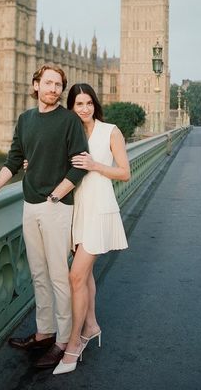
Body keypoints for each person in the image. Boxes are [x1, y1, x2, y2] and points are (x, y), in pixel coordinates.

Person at [0, 65, 88, 369]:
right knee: (39, 275)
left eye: (59, 85)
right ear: (35, 86)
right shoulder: (26, 119)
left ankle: (62, 342)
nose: (54, 89)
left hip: (57, 207)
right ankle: (44, 332)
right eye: (48, 83)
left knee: (59, 277)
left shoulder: (69, 121)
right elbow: (13, 161)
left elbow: (79, 164)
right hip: (30, 206)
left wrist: (56, 195)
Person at [52, 83, 130, 375]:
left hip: (99, 208)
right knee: (85, 277)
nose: (84, 108)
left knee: (76, 276)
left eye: (88, 103)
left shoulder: (110, 131)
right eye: (78, 104)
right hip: (78, 209)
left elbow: (124, 172)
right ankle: (92, 326)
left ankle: (73, 345)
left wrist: (95, 164)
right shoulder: (71, 133)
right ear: (71, 107)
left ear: (95, 104)